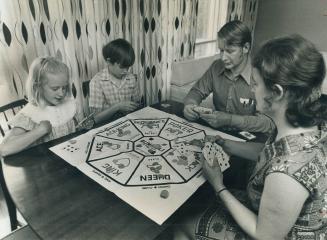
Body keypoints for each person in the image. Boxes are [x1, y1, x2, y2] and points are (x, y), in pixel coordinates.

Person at [175, 34, 327, 240]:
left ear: (277, 92)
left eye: (255, 84)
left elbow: (264, 235)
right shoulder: (301, 123)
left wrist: (218, 184)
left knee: (182, 226)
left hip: (270, 233)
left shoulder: (287, 175)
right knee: (197, 204)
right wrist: (227, 144)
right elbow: (270, 153)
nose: (252, 89)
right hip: (271, 211)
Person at [183, 20, 275, 133]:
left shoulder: (261, 74)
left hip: (250, 138)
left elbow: (267, 123)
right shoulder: (216, 66)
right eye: (221, 50)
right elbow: (196, 92)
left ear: (246, 48)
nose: (223, 58)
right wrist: (189, 106)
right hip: (219, 133)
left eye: (230, 51)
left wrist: (230, 120)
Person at [0, 57, 79, 156]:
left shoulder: (67, 104)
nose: (61, 93)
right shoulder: (30, 115)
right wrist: (40, 130)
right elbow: (4, 149)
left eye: (64, 87)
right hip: (47, 167)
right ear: (38, 87)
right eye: (55, 88)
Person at [89, 38, 141, 124]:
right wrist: (118, 106)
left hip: (128, 122)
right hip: (107, 126)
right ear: (109, 62)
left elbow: (137, 104)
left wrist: (135, 106)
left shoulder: (131, 78)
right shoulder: (97, 82)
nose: (125, 71)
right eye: (122, 67)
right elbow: (96, 118)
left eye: (127, 67)